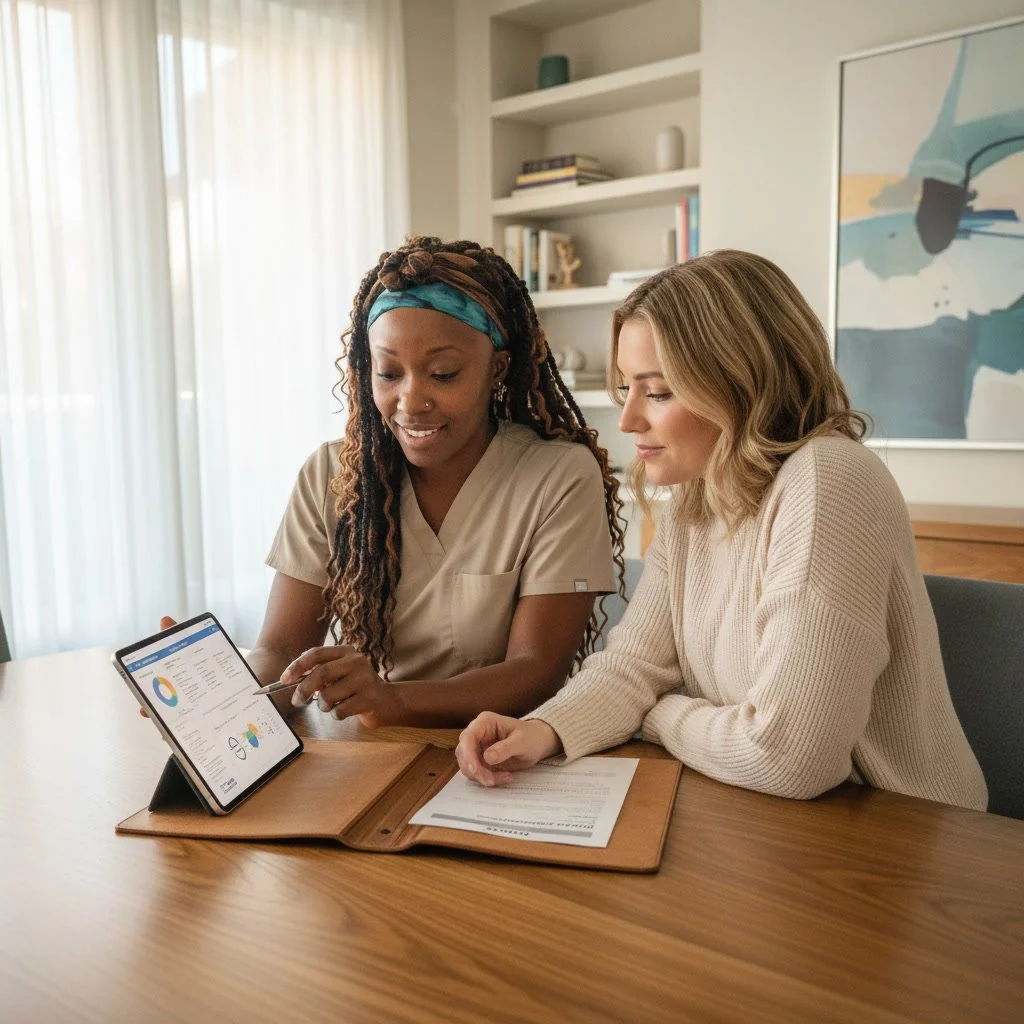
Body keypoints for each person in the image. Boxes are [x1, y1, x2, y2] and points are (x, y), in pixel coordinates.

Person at [455, 250, 988, 811]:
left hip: (907, 835)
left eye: (657, 392)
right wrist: (542, 730)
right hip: (777, 819)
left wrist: (658, 714)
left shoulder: (829, 481)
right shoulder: (699, 494)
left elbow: (788, 756)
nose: (629, 420)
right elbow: (635, 666)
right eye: (626, 390)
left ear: (739, 381)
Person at [247, 236, 625, 728]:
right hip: (369, 755)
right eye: (387, 373)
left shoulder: (558, 477)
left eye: (443, 374)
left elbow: (538, 670)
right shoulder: (332, 476)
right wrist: (218, 701)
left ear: (498, 369)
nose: (411, 400)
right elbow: (278, 652)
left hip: (501, 758)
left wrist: (394, 700)